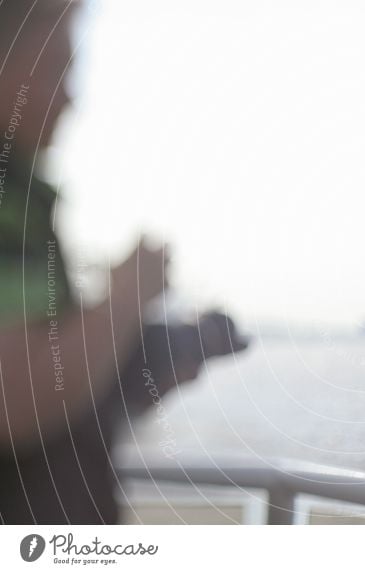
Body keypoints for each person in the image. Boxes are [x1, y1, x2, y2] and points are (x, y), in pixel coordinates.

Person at [0, 0, 247, 523]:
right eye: (56, 70)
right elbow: (13, 396)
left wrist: (169, 350)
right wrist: (128, 295)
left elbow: (66, 387)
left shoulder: (25, 201)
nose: (70, 97)